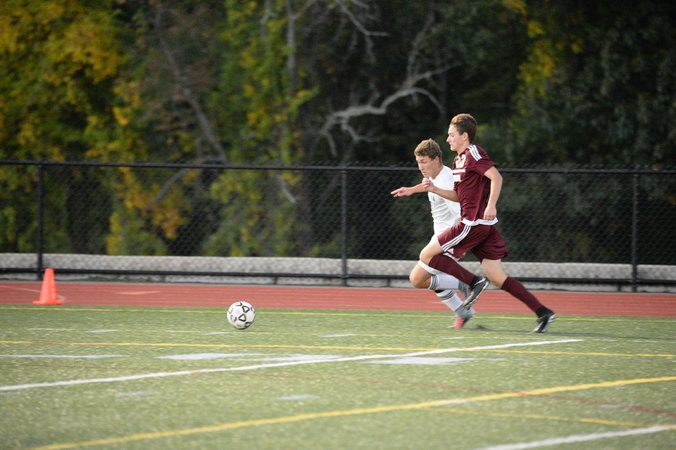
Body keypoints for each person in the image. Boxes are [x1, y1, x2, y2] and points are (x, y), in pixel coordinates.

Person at [420, 113, 557, 333]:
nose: (448, 139)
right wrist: (435, 189)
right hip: (482, 227)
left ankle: (474, 282)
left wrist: (491, 205)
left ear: (465, 136)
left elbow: (496, 177)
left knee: (427, 255)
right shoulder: (458, 161)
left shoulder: (473, 153)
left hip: (472, 224)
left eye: (452, 135)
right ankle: (543, 312)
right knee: (497, 277)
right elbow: (458, 196)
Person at [391, 138, 476, 328]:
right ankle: (464, 311)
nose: (420, 167)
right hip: (439, 237)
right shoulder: (435, 175)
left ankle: (464, 282)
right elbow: (427, 186)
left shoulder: (446, 180)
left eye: (424, 162)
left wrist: (459, 244)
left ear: (436, 159)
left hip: (448, 239)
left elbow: (460, 214)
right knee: (432, 281)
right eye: (418, 162)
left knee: (417, 279)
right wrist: (411, 190)